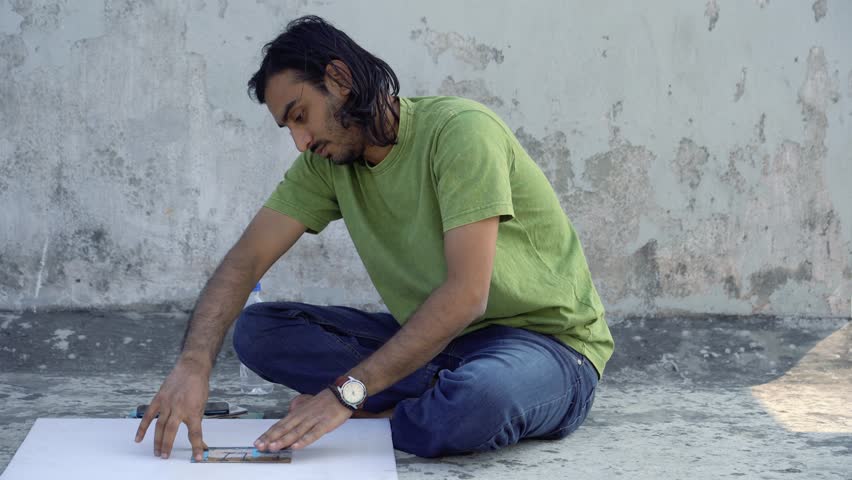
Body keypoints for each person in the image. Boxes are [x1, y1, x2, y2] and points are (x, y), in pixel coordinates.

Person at [135, 15, 614, 460]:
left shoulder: (461, 132)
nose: (300, 142)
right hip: (441, 344)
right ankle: (423, 397)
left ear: (340, 79)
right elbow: (246, 260)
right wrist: (194, 365)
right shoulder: (324, 165)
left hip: (548, 347)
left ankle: (384, 413)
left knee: (478, 400)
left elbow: (467, 296)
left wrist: (347, 395)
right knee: (260, 332)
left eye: (300, 115)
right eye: (288, 127)